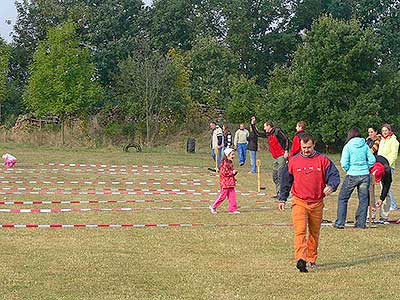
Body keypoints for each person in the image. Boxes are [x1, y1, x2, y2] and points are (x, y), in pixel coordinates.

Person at [279, 133, 340, 273]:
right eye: (304, 147)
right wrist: (282, 198)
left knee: (314, 232)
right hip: (299, 201)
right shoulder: (293, 161)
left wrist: (331, 186)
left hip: (317, 202)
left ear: (314, 145)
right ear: (300, 145)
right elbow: (285, 181)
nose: (306, 150)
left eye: (309, 147)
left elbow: (334, 176)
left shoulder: (323, 160)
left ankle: (311, 259)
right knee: (300, 231)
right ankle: (301, 259)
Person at [334, 128, 376, 229]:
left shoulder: (348, 146)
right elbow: (372, 160)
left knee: (343, 198)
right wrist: (366, 167)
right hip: (365, 175)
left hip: (352, 174)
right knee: (363, 199)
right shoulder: (365, 145)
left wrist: (349, 169)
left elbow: (344, 162)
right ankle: (360, 224)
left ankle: (340, 222)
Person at [251, 116, 289, 198]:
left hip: (282, 155)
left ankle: (282, 194)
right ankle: (278, 192)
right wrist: (253, 124)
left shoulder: (277, 131)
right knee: (275, 176)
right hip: (275, 157)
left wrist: (286, 150)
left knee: (280, 174)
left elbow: (286, 139)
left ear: (269, 126)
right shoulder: (268, 134)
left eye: (265, 126)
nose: (264, 128)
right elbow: (257, 133)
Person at [209, 148, 240, 214]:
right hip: (225, 184)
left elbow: (230, 172)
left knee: (232, 197)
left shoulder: (230, 163)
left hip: (230, 183)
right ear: (227, 155)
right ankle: (213, 207)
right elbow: (224, 173)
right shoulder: (224, 163)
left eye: (233, 154)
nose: (233, 156)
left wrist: (234, 175)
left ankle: (232, 209)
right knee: (222, 197)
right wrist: (232, 172)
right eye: (232, 154)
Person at [377, 124, 399, 211]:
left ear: (390, 131)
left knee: (386, 187)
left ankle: (392, 205)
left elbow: (394, 155)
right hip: (380, 167)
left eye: (386, 130)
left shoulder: (394, 141)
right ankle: (390, 204)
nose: (384, 132)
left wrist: (386, 165)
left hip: (388, 167)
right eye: (383, 131)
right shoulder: (382, 140)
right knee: (383, 187)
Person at [369, 155, 392, 223]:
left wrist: (381, 199)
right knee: (370, 191)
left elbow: (387, 185)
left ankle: (384, 216)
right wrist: (369, 204)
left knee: (387, 194)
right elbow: (366, 190)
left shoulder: (387, 170)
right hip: (371, 172)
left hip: (382, 169)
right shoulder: (368, 166)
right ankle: (370, 215)